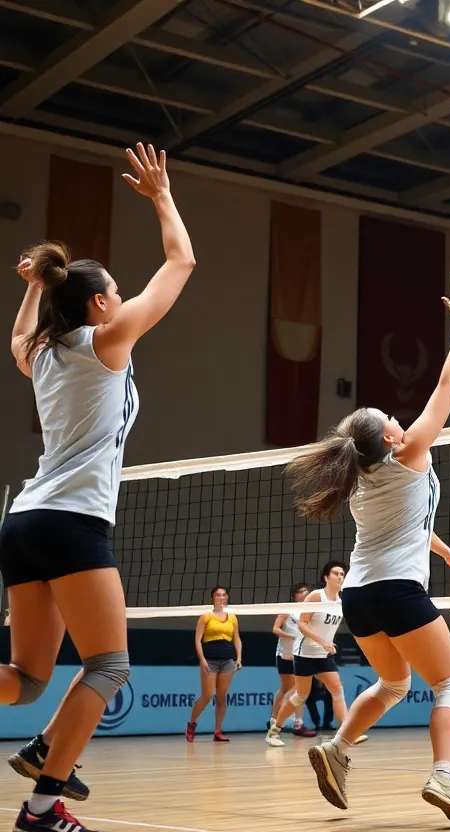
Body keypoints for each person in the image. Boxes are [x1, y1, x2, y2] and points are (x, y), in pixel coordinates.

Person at [1, 143, 194, 832]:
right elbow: (181, 263)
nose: (120, 293)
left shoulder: (44, 354)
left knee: (24, 679)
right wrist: (162, 195)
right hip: (70, 522)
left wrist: (32, 282)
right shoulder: (104, 341)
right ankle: (45, 806)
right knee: (108, 668)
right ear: (102, 302)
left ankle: (47, 751)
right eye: (112, 286)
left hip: (23, 521)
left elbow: (19, 335)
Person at [282, 270, 450, 826]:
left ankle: (337, 748)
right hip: (397, 592)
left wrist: (446, 556)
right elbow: (449, 381)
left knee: (394, 682)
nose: (401, 419)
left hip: (359, 597)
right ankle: (444, 776)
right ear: (392, 438)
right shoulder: (411, 453)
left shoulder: (359, 481)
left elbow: (409, 526)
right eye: (392, 419)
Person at [267, 562, 351, 746]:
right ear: (326, 577)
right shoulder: (315, 596)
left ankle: (346, 734)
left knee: (337, 691)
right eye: (335, 573)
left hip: (323, 655)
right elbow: (302, 624)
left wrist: (329, 643)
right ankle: (274, 730)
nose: (339, 576)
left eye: (342, 574)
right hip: (304, 653)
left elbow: (328, 628)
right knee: (300, 695)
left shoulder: (340, 602)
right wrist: (321, 641)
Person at [186, 586, 242, 742]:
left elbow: (236, 638)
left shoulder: (232, 617)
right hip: (210, 660)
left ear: (227, 597)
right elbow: (197, 640)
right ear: (213, 598)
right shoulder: (206, 617)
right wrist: (202, 659)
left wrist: (239, 658)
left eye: (224, 595)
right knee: (207, 695)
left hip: (227, 660)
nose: (221, 597)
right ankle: (192, 724)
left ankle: (218, 731)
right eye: (218, 595)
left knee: (222, 696)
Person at [270, 583, 315, 736]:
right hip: (285, 654)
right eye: (301, 591)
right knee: (286, 688)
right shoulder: (288, 609)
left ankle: (298, 723)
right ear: (294, 595)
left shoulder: (310, 611)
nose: (304, 593)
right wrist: (292, 637)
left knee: (298, 689)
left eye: (306, 591)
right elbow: (275, 629)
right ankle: (274, 719)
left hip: (300, 654)